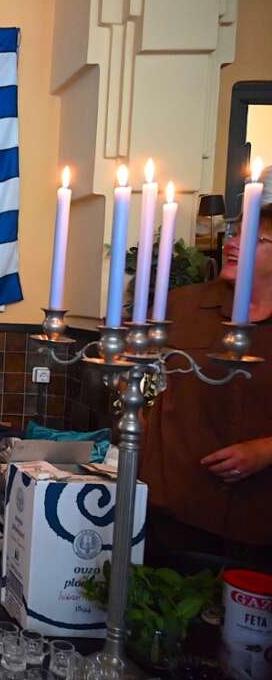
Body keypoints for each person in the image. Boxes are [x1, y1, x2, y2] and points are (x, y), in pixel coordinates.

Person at [140, 167, 272, 562]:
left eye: (254, 237)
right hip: (174, 508)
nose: (232, 243)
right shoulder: (183, 305)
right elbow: (138, 375)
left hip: (258, 521)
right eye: (235, 231)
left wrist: (265, 450)